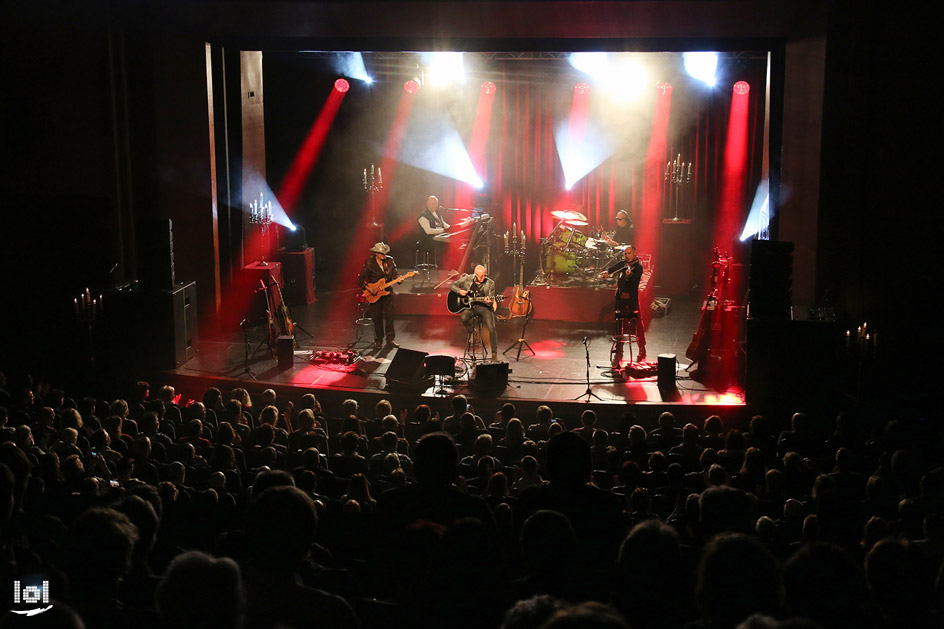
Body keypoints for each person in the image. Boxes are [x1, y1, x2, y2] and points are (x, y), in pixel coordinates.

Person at [600, 245, 647, 361]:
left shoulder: (638, 267)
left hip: (632, 300)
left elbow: (633, 282)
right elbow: (614, 268)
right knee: (619, 322)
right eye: (626, 254)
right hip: (620, 298)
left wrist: (627, 277)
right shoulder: (623, 264)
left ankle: (642, 348)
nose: (627, 256)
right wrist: (607, 272)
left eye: (629, 253)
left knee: (638, 323)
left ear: (634, 253)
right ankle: (619, 347)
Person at [450, 264, 498, 358]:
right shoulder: (467, 279)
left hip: (485, 307)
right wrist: (459, 291)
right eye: (481, 276)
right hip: (471, 307)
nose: (483, 277)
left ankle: (494, 353)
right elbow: (452, 285)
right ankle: (472, 331)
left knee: (492, 328)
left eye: (485, 275)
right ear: (475, 274)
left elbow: (491, 299)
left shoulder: (490, 283)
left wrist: (489, 302)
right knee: (463, 317)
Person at [358, 242, 399, 348]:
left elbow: (395, 272)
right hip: (375, 294)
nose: (383, 255)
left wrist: (399, 279)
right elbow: (361, 279)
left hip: (387, 292)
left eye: (384, 253)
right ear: (376, 253)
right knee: (377, 317)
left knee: (390, 316)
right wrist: (369, 289)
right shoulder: (370, 262)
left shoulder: (390, 260)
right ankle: (379, 340)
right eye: (381, 253)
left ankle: (390, 340)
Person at [418, 195, 450, 264]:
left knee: (452, 241)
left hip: (439, 236)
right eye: (433, 203)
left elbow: (443, 224)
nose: (435, 205)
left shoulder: (437, 212)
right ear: (428, 204)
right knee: (447, 244)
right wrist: (443, 230)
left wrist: (453, 228)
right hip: (427, 240)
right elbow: (428, 231)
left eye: (436, 203)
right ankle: (442, 264)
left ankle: (449, 264)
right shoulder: (423, 215)